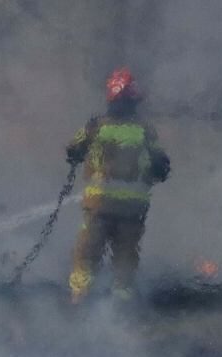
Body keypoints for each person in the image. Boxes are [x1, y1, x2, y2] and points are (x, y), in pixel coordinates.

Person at [66, 68, 170, 302]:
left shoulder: (96, 126)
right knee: (125, 256)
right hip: (132, 210)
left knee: (87, 253)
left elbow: (74, 150)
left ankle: (78, 299)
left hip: (99, 205)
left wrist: (79, 156)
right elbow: (162, 166)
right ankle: (121, 306)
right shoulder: (144, 130)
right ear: (133, 99)